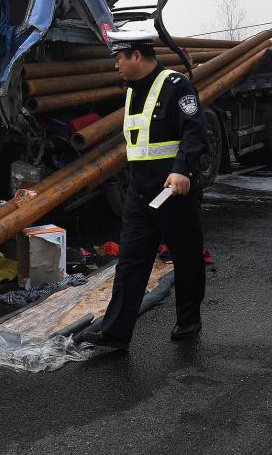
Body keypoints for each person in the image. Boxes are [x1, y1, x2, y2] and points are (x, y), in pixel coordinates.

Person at [80, 29, 209, 349]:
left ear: (137, 55)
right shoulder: (130, 91)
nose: (116, 65)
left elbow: (195, 131)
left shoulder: (176, 86)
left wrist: (183, 170)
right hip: (139, 193)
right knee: (131, 263)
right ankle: (115, 332)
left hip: (173, 192)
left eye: (119, 58)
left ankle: (189, 319)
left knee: (187, 257)